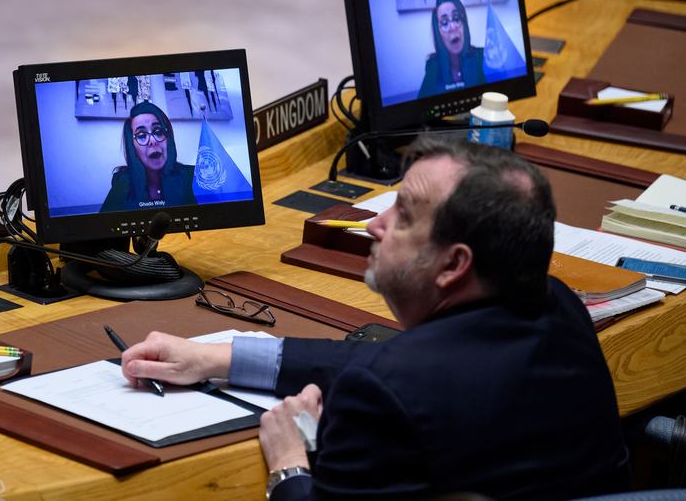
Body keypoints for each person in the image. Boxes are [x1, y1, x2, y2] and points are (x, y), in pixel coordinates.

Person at [121, 138, 631, 500]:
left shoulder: (386, 394)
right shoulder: (559, 306)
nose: (374, 224)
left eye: (403, 214)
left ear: (454, 264)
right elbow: (384, 364)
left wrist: (290, 466)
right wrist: (219, 357)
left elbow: (389, 379)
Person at [100, 101, 196, 212]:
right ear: (133, 147)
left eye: (158, 132)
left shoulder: (191, 176)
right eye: (141, 135)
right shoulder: (123, 182)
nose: (152, 141)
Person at [418, 0, 485, 99]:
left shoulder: (483, 56)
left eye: (457, 18)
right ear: (438, 32)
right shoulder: (433, 66)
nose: (453, 27)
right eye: (444, 22)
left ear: (464, 23)